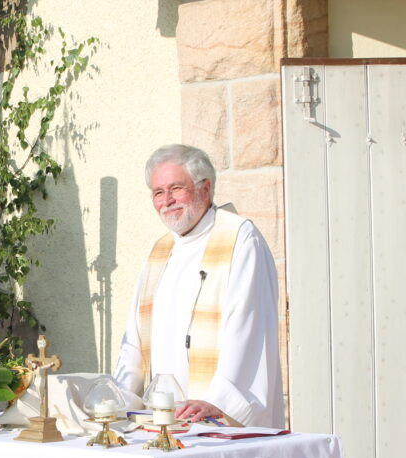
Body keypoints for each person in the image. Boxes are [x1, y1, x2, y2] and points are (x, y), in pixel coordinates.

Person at [113, 144, 282, 427]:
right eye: (158, 192)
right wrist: (120, 395)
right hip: (166, 416)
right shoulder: (160, 251)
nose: (166, 201)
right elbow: (135, 336)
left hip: (212, 414)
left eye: (176, 188)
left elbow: (248, 324)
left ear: (205, 188)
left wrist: (219, 400)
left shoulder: (239, 238)